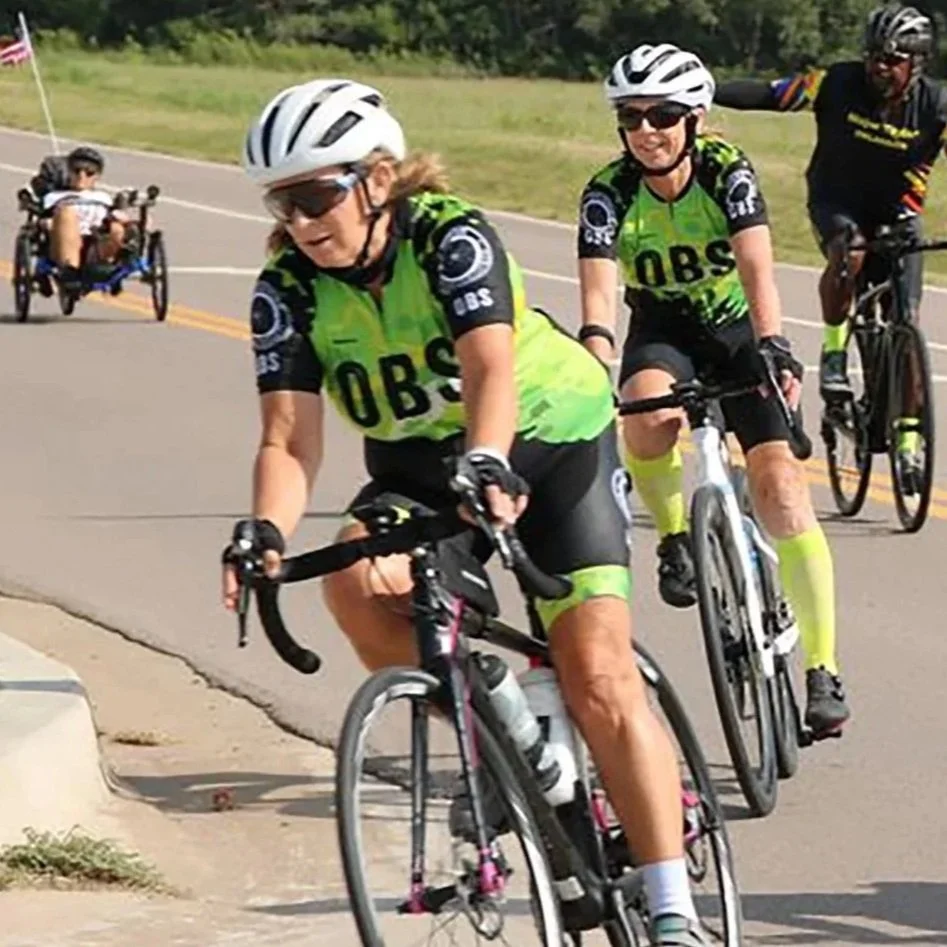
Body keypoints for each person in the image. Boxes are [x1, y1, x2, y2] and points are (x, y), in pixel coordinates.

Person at [220, 77, 715, 945]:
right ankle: (507, 731)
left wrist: (489, 458)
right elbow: (289, 440)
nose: (300, 221)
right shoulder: (287, 288)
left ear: (377, 178)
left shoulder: (450, 237)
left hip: (549, 440)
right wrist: (263, 531)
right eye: (282, 203)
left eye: (316, 196)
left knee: (597, 674)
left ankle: (672, 907)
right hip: (419, 467)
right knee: (355, 584)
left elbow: (490, 369)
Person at [575, 43, 849, 735]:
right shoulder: (607, 193)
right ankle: (675, 537)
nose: (646, 130)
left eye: (663, 115)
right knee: (644, 419)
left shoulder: (727, 171)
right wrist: (594, 362)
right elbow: (599, 296)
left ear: (694, 119)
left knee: (781, 489)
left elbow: (757, 268)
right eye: (631, 117)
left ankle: (822, 669)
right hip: (663, 329)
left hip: (735, 331)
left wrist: (773, 344)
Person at [714, 2, 944, 484]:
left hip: (898, 215)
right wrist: (701, 90)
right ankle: (835, 354)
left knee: (906, 324)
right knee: (851, 251)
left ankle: (907, 441)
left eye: (892, 59)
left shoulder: (937, 106)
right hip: (836, 204)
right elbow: (770, 94)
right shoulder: (836, 83)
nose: (879, 67)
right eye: (873, 56)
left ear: (917, 62)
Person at [39, 146, 131, 292]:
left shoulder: (103, 197)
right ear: (69, 172)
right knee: (67, 213)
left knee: (117, 227)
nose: (82, 176)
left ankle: (108, 268)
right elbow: (43, 220)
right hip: (63, 244)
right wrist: (48, 222)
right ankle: (71, 273)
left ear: (97, 176)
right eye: (76, 170)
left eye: (89, 172)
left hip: (95, 246)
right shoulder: (54, 196)